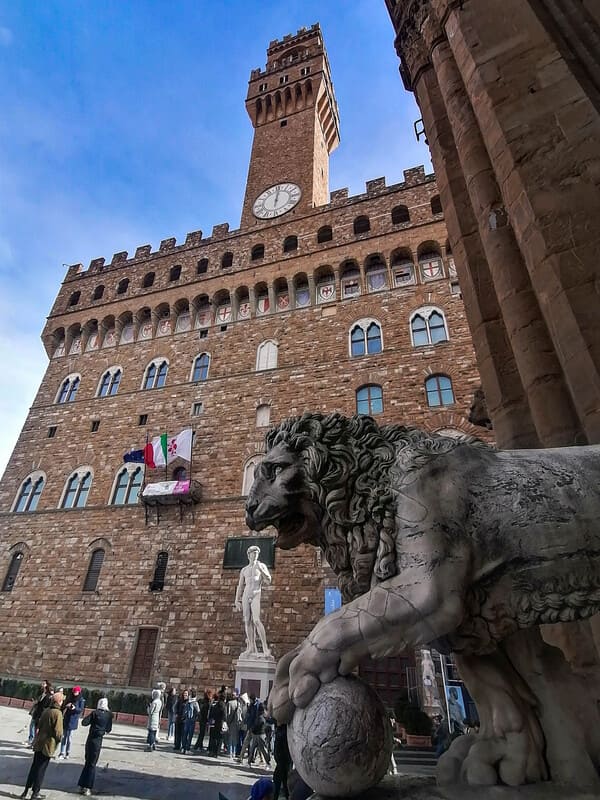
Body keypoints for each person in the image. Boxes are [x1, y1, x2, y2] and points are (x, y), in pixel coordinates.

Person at [21, 687, 64, 800]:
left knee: (34, 767)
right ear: (59, 701)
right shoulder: (57, 713)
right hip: (48, 744)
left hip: (39, 742)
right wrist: (59, 740)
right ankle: (35, 793)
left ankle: (25, 791)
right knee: (41, 769)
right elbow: (58, 732)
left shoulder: (46, 711)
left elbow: (38, 726)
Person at [234, 546, 272, 657]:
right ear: (249, 555)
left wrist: (262, 571)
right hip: (246, 594)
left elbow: (268, 581)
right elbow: (240, 586)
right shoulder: (244, 570)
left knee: (256, 620)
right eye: (253, 553)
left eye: (256, 553)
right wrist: (237, 600)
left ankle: (265, 648)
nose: (255, 555)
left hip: (256, 593)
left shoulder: (261, 566)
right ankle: (251, 647)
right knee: (247, 621)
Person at [78, 697, 113, 796]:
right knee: (92, 764)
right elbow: (109, 729)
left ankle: (81, 785)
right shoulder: (109, 715)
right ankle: (88, 787)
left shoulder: (94, 713)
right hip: (98, 740)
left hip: (90, 739)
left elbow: (84, 722)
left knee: (87, 762)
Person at [58, 685, 85, 759]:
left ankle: (67, 753)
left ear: (79, 692)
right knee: (64, 737)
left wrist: (74, 708)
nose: (74, 693)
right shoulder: (69, 697)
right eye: (74, 692)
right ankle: (61, 752)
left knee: (69, 738)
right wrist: (67, 705)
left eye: (76, 692)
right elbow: (63, 706)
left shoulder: (81, 700)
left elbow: (80, 710)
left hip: (73, 720)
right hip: (66, 718)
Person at [28, 680, 53, 746]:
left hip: (42, 714)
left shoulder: (48, 695)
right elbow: (38, 702)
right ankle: (33, 742)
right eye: (42, 683)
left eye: (44, 684)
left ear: (47, 686)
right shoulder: (41, 693)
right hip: (37, 713)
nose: (42, 685)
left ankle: (36, 743)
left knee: (38, 729)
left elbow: (46, 706)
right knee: (34, 727)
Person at [273, 723, 291, 799]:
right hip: (283, 760)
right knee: (283, 781)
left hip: (282, 760)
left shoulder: (282, 732)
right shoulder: (283, 731)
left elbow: (281, 748)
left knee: (281, 780)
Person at [207, 689, 227, 757]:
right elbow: (225, 715)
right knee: (220, 738)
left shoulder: (216, 704)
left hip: (216, 722)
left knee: (214, 738)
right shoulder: (224, 705)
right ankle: (217, 752)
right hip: (221, 723)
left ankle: (213, 751)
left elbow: (213, 713)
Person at [226, 689, 243, 759]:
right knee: (235, 739)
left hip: (231, 722)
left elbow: (228, 714)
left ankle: (230, 753)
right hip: (237, 723)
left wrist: (227, 722)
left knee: (230, 738)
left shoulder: (229, 703)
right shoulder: (239, 704)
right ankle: (234, 752)